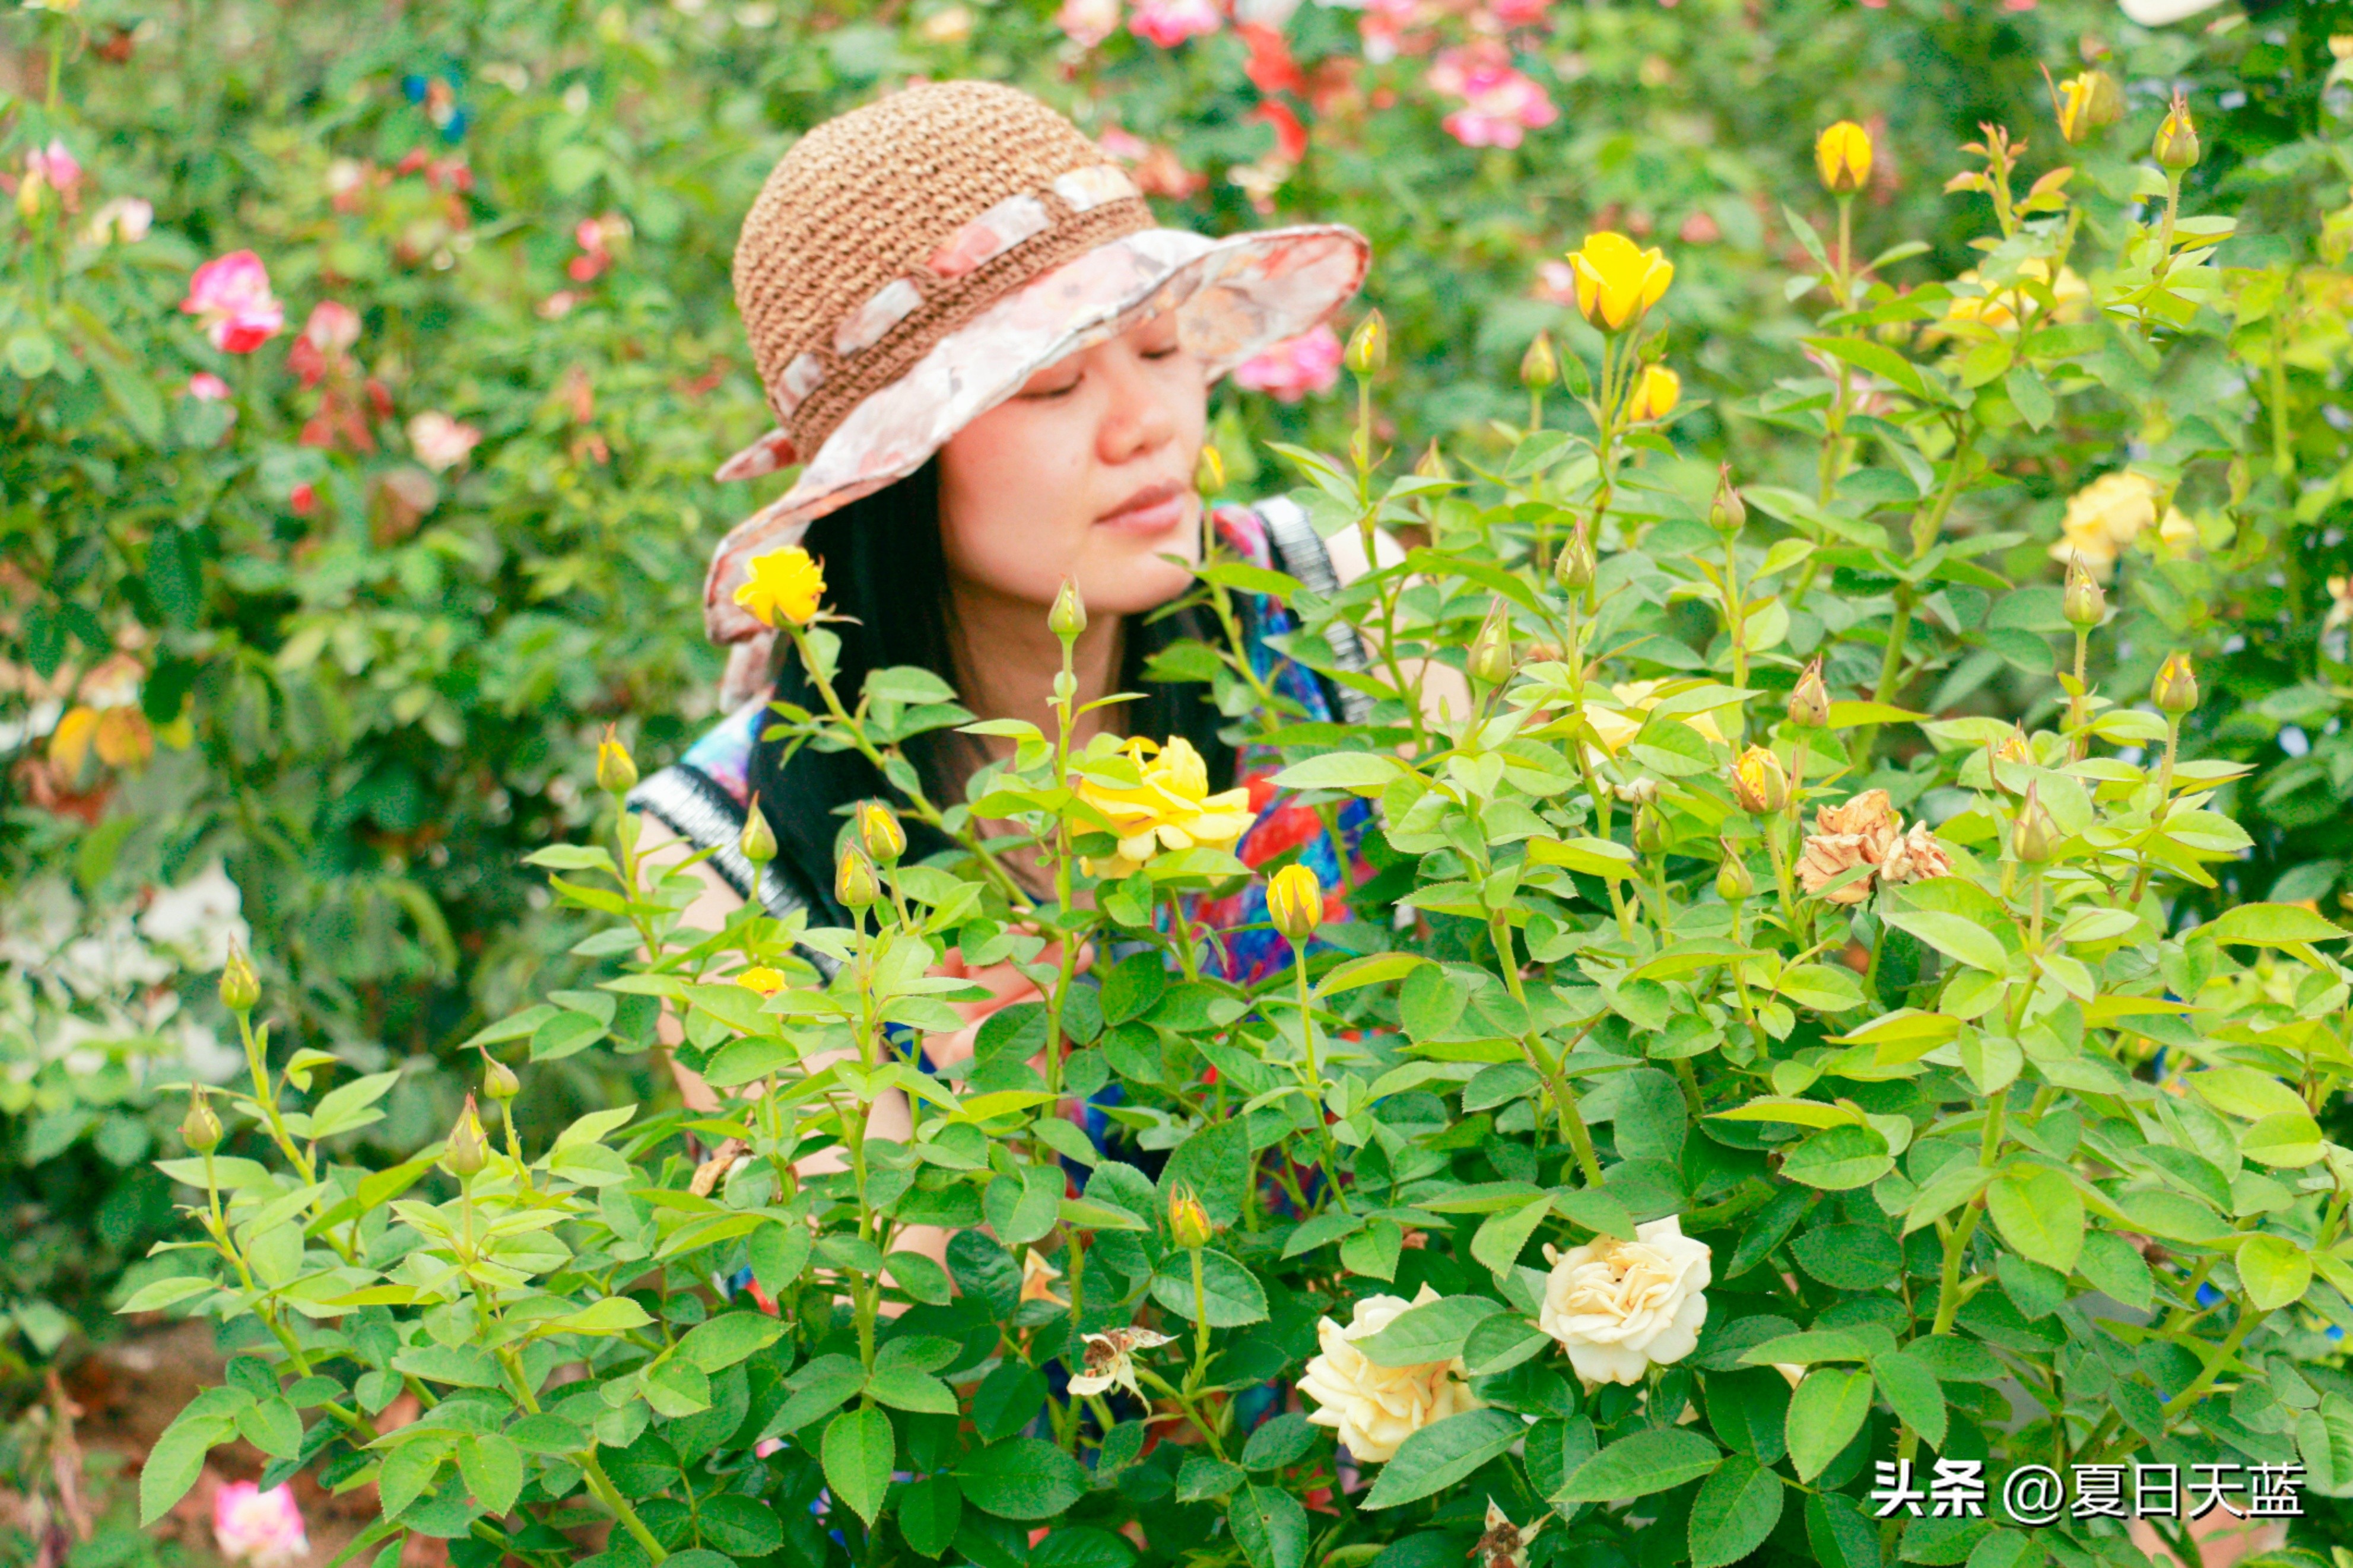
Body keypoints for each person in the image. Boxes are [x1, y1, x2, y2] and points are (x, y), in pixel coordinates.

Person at [629, 80, 1453, 1151]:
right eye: (1053, 384)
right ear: (888, 472)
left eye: (1162, 352)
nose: (1148, 425)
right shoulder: (726, 844)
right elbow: (879, 1295)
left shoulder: (1336, 599)